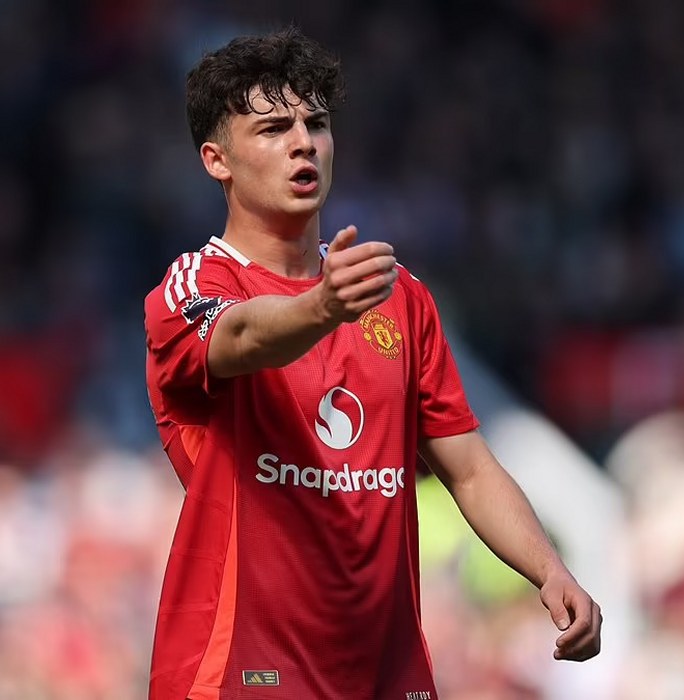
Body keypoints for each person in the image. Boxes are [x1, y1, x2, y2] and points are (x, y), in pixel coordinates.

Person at [144, 26, 602, 700]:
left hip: (387, 677)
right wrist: (321, 308)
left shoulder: (399, 298)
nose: (304, 142)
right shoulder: (194, 286)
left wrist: (549, 569)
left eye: (316, 124)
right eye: (272, 129)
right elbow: (238, 338)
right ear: (218, 160)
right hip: (239, 672)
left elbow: (469, 468)